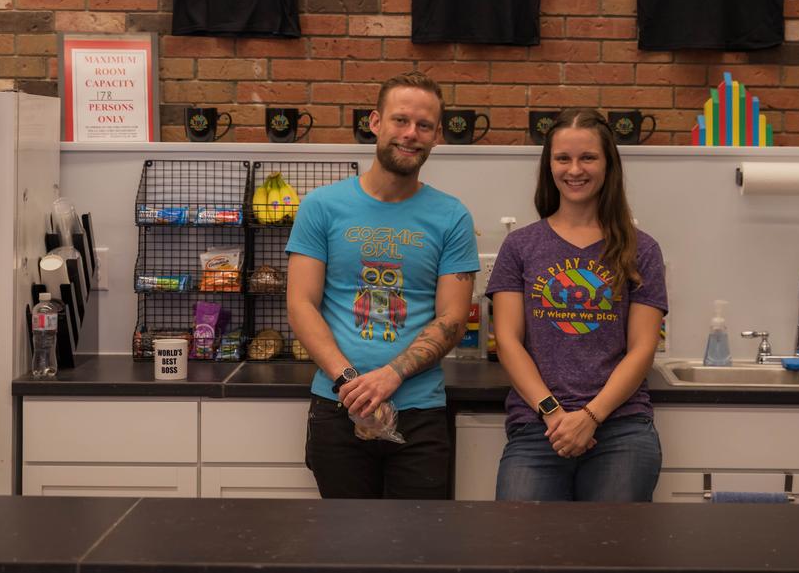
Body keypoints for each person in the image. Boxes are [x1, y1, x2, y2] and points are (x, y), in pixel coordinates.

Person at [286, 71, 479, 499]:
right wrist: (351, 382)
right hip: (338, 405)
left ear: (437, 136)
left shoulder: (452, 217)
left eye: (424, 126)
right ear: (376, 122)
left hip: (420, 413)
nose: (411, 134)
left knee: (416, 553)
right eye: (400, 120)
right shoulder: (322, 206)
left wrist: (391, 376)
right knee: (345, 548)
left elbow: (452, 317)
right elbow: (301, 304)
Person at [486, 107, 668, 502]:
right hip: (538, 425)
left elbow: (642, 349)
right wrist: (553, 413)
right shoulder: (520, 246)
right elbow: (507, 340)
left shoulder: (642, 249)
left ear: (608, 165)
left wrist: (590, 416)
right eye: (562, 158)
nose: (574, 169)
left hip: (621, 427)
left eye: (587, 157)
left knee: (608, 556)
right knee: (520, 552)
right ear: (548, 164)